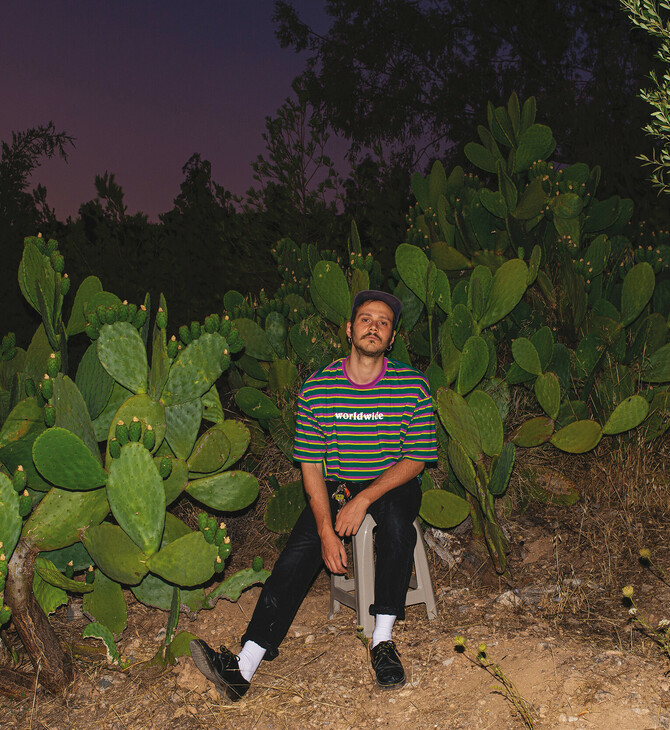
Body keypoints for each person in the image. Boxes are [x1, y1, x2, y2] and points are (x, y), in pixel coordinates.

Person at [191, 290, 438, 700]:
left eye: (383, 322)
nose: (373, 326)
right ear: (349, 329)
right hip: (338, 485)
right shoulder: (319, 388)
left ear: (391, 338)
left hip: (392, 481)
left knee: (397, 526)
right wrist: (326, 529)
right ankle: (244, 665)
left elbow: (415, 461)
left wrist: (365, 500)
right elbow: (310, 468)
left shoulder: (412, 386)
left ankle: (382, 641)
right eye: (365, 319)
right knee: (299, 551)